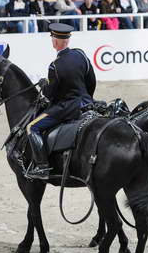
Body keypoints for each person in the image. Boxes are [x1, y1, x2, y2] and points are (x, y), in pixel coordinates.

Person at [25, 23, 96, 179]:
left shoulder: (55, 66)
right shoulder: (81, 55)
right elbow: (91, 80)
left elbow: (51, 95)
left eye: (53, 38)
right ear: (67, 40)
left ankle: (42, 167)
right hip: (87, 102)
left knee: (31, 127)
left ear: (55, 41)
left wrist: (44, 86)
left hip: (68, 107)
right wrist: (87, 98)